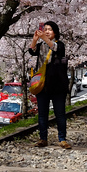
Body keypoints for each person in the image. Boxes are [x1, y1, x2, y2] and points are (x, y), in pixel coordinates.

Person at [29, 21, 71, 149]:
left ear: (55, 32)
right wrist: (35, 40)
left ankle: (62, 139)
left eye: (50, 29)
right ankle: (43, 138)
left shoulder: (60, 45)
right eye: (45, 29)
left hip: (57, 84)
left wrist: (45, 39)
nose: (47, 31)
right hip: (43, 84)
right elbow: (32, 51)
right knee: (42, 113)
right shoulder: (41, 45)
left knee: (60, 113)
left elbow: (56, 48)